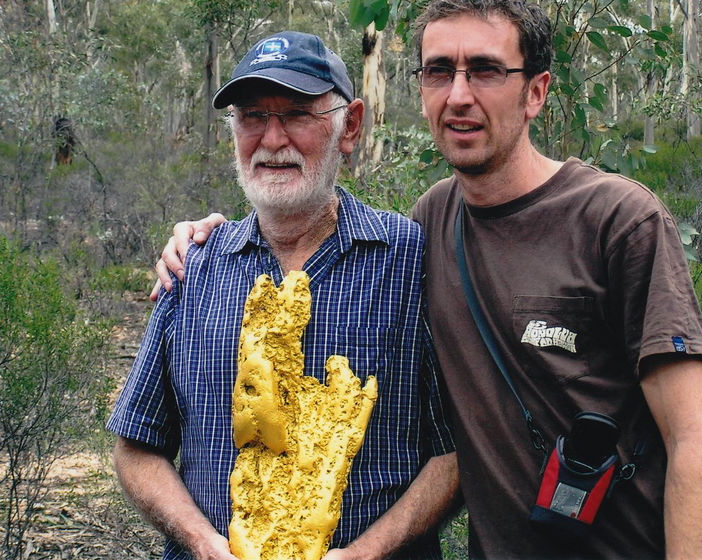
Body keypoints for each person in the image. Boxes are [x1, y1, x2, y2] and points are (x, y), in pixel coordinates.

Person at [156, 2, 702, 558]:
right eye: (439, 72)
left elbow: (696, 442)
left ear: (536, 91)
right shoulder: (430, 224)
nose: (459, 95)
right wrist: (206, 238)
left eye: (484, 70)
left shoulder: (617, 220)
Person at [108, 30, 459, 560]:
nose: (272, 140)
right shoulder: (194, 266)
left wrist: (364, 553)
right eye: (251, 116)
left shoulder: (411, 261)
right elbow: (136, 448)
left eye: (297, 114)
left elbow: (456, 453)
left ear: (351, 126)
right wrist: (203, 543)